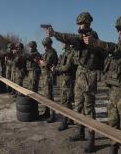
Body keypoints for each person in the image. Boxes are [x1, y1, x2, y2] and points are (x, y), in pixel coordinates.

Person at [44, 11, 104, 153]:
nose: (79, 26)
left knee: (89, 109)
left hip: (89, 77)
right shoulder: (82, 37)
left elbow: (72, 39)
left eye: (81, 23)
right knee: (78, 106)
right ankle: (80, 131)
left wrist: (55, 34)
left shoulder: (91, 36)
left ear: (88, 23)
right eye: (78, 24)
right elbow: (74, 39)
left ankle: (91, 139)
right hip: (80, 76)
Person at [83, 14, 121, 154]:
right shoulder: (117, 49)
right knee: (112, 125)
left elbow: (117, 50)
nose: (119, 32)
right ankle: (113, 149)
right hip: (113, 94)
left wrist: (98, 42)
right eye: (118, 29)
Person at [53, 42, 75, 131]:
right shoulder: (64, 53)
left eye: (63, 42)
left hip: (68, 80)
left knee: (65, 101)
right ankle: (70, 119)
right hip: (63, 80)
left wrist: (57, 69)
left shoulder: (71, 53)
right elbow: (60, 64)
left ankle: (64, 122)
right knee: (66, 100)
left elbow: (67, 67)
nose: (61, 43)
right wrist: (55, 68)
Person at [39, 37, 58, 123]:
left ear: (49, 44)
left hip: (49, 76)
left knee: (49, 96)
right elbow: (43, 63)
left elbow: (47, 63)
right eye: (44, 45)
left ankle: (52, 115)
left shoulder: (52, 52)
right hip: (45, 76)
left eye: (46, 45)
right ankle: (47, 112)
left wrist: (42, 63)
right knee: (46, 95)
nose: (44, 47)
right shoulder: (46, 52)